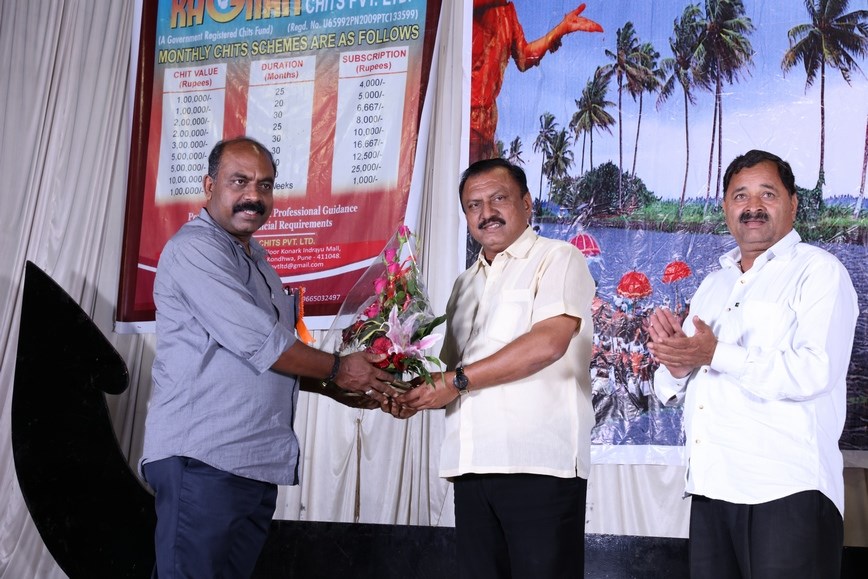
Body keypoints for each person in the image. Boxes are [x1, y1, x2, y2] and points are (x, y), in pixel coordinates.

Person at [140, 137, 395, 578]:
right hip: (203, 460)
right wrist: (339, 370)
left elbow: (270, 360)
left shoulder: (259, 263)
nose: (254, 196)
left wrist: (336, 386)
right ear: (209, 186)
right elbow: (261, 342)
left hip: (250, 462)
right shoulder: (195, 249)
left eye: (265, 185)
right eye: (239, 181)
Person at [648, 149, 858, 578]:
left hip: (787, 491)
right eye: (740, 195)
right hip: (711, 489)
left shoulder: (819, 272)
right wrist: (676, 363)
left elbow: (815, 371)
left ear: (793, 203)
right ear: (726, 207)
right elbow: (672, 386)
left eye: (767, 194)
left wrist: (714, 353)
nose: (753, 206)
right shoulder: (714, 284)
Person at [395, 158, 596, 578]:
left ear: (526, 203)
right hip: (471, 465)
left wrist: (455, 381)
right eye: (473, 205)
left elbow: (548, 343)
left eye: (498, 199)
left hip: (538, 466)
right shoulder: (465, 283)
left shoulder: (557, 257)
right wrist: (403, 393)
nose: (486, 213)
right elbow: (452, 374)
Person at [470, 1, 602, 161]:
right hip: (466, 119)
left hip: (486, 125)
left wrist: (559, 30)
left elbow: (524, 57)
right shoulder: (470, 6)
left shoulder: (507, 11)